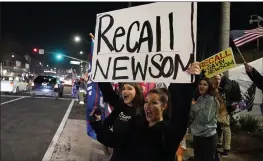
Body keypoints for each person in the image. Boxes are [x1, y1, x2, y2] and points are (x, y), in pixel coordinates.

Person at [89, 62, 201, 161]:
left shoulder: (169, 132)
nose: (148, 106)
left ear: (164, 107)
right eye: (147, 101)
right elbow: (116, 141)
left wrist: (187, 81)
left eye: (154, 102)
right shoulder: (138, 127)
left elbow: (180, 112)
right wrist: (96, 124)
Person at [190, 77, 220, 161]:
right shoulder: (200, 98)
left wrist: (194, 106)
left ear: (209, 87)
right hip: (197, 135)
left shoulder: (211, 100)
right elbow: (194, 117)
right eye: (200, 84)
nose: (201, 86)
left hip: (208, 137)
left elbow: (204, 119)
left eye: (205, 85)